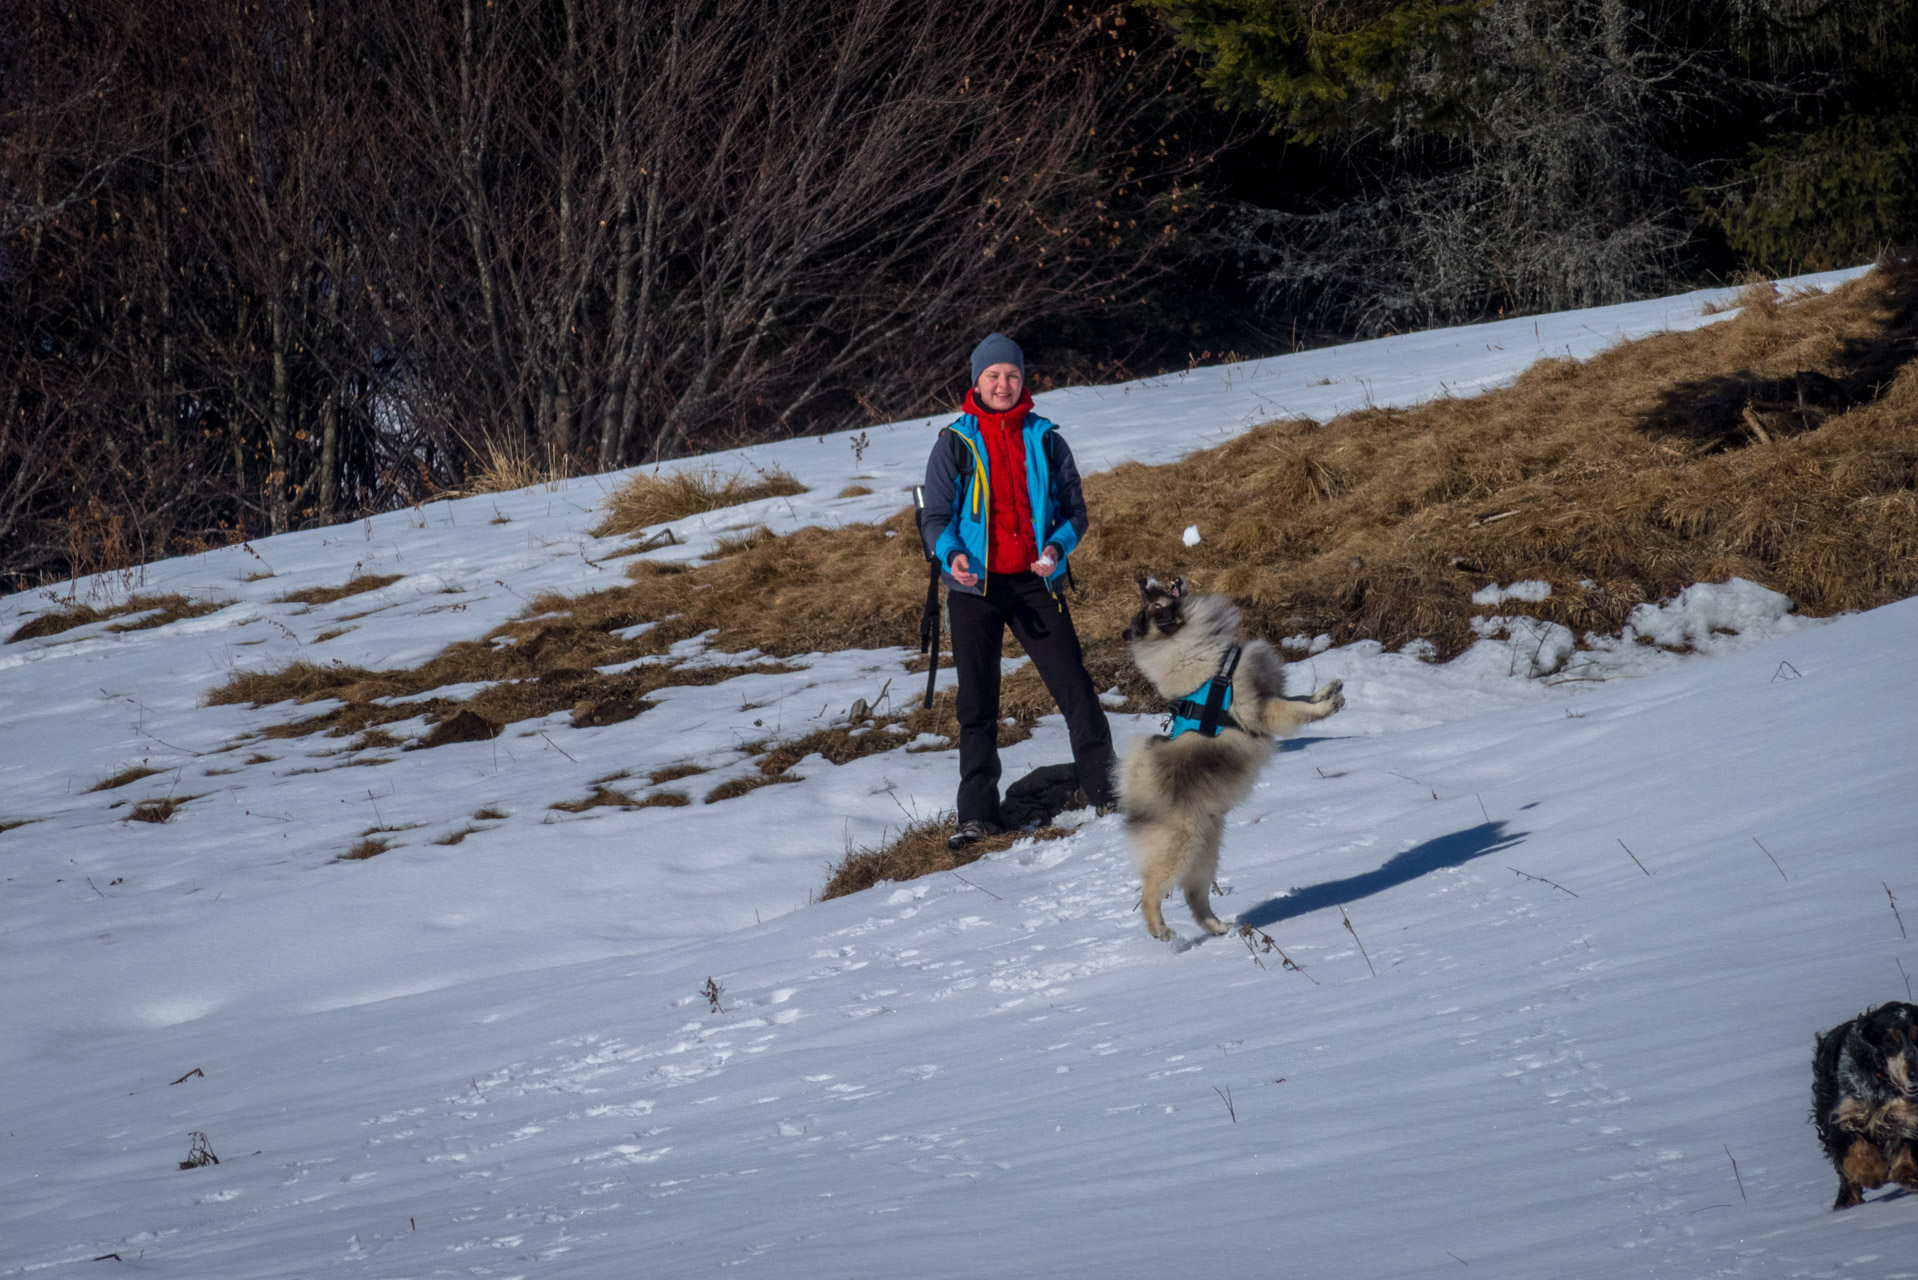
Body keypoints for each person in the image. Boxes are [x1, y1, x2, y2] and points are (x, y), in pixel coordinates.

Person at [918, 333, 1118, 850]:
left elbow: (1076, 513)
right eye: (992, 376)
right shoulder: (954, 442)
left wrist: (1056, 548)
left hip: (1035, 582)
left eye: (1011, 375)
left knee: (1075, 686)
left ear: (1023, 379)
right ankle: (978, 816)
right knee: (977, 703)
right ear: (976, 381)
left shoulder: (1047, 438)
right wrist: (953, 555)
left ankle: (1109, 791)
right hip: (974, 589)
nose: (1003, 384)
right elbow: (935, 518)